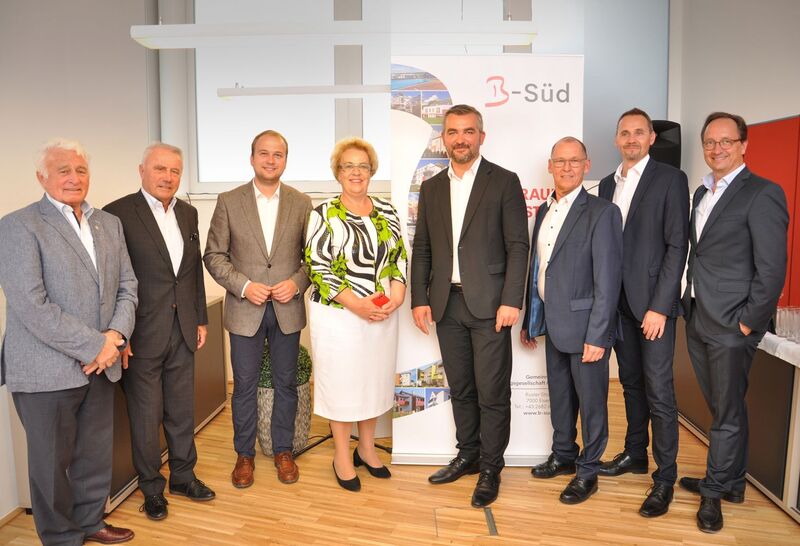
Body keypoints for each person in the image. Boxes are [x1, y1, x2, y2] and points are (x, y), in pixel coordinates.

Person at [0, 139, 138, 545]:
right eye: (63, 170)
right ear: (42, 177)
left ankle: (91, 521)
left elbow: (128, 286)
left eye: (80, 170)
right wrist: (96, 345)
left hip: (101, 363)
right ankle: (61, 537)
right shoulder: (19, 226)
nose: (74, 178)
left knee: (93, 454)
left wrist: (115, 337)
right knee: (50, 464)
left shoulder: (108, 224)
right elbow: (31, 304)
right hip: (46, 368)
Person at [410, 104, 529, 508]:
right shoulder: (431, 187)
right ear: (443, 138)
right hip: (447, 305)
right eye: (453, 132)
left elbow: (518, 246)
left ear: (481, 136)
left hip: (491, 306)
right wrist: (420, 299)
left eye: (468, 131)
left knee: (491, 392)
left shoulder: (504, 181)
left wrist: (511, 300)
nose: (460, 139)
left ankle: (491, 468)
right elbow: (423, 248)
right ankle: (469, 455)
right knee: (461, 388)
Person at [680, 112, 788, 533]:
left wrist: (747, 323)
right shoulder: (701, 192)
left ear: (744, 145)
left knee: (725, 412)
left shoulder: (763, 193)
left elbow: (772, 269)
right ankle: (733, 481)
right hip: (698, 316)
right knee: (723, 407)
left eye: (726, 141)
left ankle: (713, 493)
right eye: (710, 141)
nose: (717, 148)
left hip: (731, 324)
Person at [104, 143, 215, 521]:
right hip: (140, 335)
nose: (168, 177)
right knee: (145, 416)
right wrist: (119, 334)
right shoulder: (117, 214)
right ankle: (151, 487)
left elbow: (191, 271)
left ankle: (183, 477)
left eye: (175, 171)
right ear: (142, 171)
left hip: (182, 329)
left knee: (182, 411)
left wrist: (200, 318)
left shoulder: (188, 212)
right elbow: (112, 280)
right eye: (160, 169)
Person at [204, 130, 312, 487]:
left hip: (286, 309)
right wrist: (244, 286)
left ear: (285, 160)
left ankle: (283, 451)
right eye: (264, 153)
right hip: (244, 309)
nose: (270, 160)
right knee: (245, 386)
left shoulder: (301, 203)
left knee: (286, 384)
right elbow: (214, 255)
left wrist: (296, 283)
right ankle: (244, 455)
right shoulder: (228, 201)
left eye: (278, 154)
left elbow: (312, 259)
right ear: (252, 158)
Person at [596, 109, 689, 517]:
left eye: (639, 132)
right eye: (624, 133)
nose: (631, 139)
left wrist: (660, 307)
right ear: (616, 139)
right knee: (631, 385)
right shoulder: (605, 184)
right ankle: (635, 453)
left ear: (651, 138)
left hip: (652, 308)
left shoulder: (670, 179)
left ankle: (665, 477)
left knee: (659, 392)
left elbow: (677, 246)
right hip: (617, 306)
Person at [521, 137, 623, 505]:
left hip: (586, 330)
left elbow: (608, 280)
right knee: (561, 397)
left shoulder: (602, 212)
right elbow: (539, 269)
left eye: (574, 161)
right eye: (560, 161)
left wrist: (598, 335)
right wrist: (531, 319)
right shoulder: (543, 212)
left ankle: (588, 471)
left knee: (592, 404)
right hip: (553, 323)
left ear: (586, 165)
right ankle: (563, 454)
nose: (566, 168)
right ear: (550, 166)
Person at [305, 137, 406, 492]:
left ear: (372, 171)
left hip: (380, 314)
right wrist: (356, 304)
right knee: (343, 384)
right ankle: (341, 456)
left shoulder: (387, 211)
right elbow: (317, 266)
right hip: (339, 316)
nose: (356, 172)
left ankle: (366, 448)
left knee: (373, 381)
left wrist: (397, 295)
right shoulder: (323, 213)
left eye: (362, 166)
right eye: (348, 166)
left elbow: (397, 258)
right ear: (338, 172)